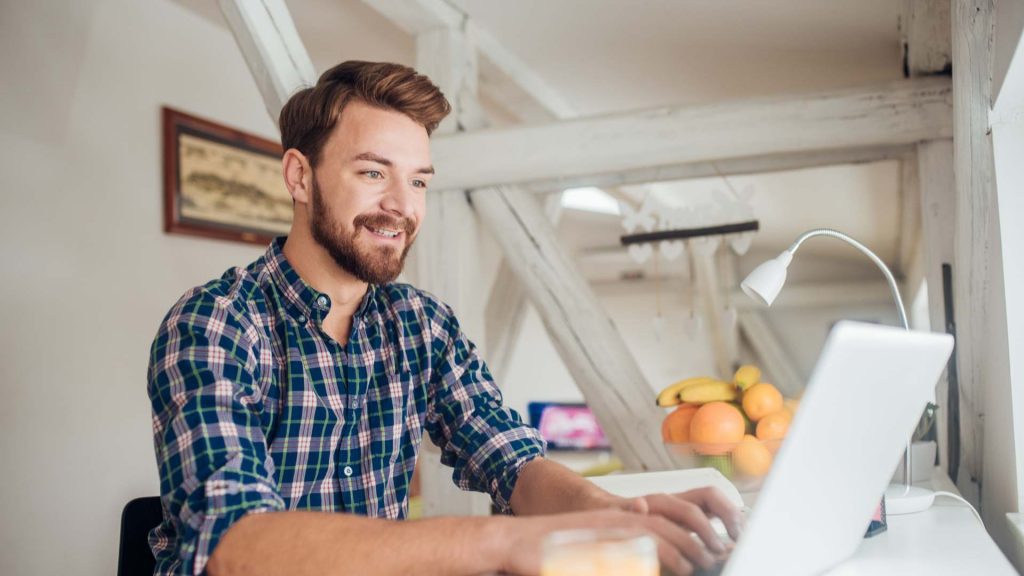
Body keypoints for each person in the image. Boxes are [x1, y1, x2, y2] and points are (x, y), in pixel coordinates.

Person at [147, 60, 742, 576]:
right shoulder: (213, 325)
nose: (402, 207)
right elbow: (236, 548)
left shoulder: (421, 325)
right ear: (300, 176)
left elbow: (512, 461)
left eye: (419, 182)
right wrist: (506, 541)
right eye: (373, 173)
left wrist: (605, 510)